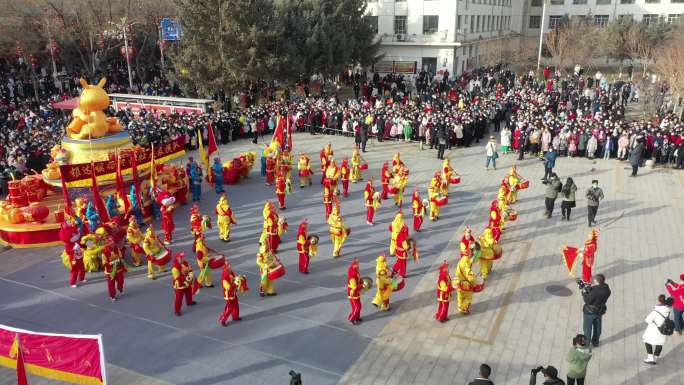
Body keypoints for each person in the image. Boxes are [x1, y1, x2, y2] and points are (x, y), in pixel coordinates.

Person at [581, 273, 611, 347]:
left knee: (587, 329)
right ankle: (595, 342)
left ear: (597, 282)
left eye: (594, 280)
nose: (593, 281)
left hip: (590, 312)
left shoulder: (595, 291)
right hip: (599, 311)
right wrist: (591, 289)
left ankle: (587, 344)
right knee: (597, 328)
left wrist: (584, 293)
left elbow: (587, 300)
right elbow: (598, 291)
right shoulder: (606, 288)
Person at [643, 295, 674, 364]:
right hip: (663, 329)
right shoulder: (669, 310)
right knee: (659, 344)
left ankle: (650, 357)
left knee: (647, 341)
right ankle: (655, 358)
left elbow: (647, 320)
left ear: (659, 300)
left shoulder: (656, 311)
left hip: (653, 330)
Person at [171, 252, 196, 316]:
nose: (182, 258)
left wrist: (191, 274)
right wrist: (188, 277)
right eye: (181, 257)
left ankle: (189, 302)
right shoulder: (175, 267)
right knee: (179, 297)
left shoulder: (185, 263)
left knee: (189, 292)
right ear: (177, 258)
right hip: (179, 284)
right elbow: (177, 277)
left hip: (187, 281)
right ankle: (177, 310)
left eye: (182, 257)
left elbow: (190, 269)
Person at [347, 258, 363, 325]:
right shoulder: (352, 277)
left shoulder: (355, 271)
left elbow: (359, 279)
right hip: (353, 292)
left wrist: (361, 281)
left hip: (356, 292)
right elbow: (354, 287)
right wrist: (363, 286)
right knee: (357, 307)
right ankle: (352, 318)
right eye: (357, 264)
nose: (358, 265)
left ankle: (357, 317)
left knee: (357, 306)